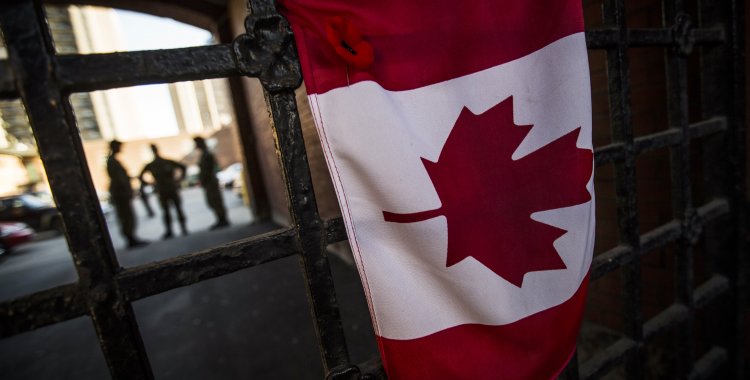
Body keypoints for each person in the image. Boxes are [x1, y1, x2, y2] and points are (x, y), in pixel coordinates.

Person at [139, 144, 188, 239]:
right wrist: (150, 183)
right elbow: (140, 176)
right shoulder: (151, 165)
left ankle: (183, 228)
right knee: (166, 211)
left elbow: (182, 167)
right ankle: (169, 230)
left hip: (171, 188)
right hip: (162, 190)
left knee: (178, 208)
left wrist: (179, 179)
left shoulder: (167, 162)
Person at [106, 140, 147, 249]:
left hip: (121, 193)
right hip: (121, 194)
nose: (121, 148)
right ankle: (130, 238)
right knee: (126, 216)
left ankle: (131, 237)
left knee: (127, 216)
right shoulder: (112, 161)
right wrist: (127, 190)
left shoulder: (113, 160)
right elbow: (119, 179)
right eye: (119, 146)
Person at [194, 137, 229, 229]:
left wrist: (205, 179)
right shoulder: (204, 154)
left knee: (215, 201)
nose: (195, 146)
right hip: (208, 182)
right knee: (212, 201)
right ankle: (220, 219)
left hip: (211, 182)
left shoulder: (207, 154)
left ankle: (223, 220)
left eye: (196, 143)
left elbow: (209, 169)